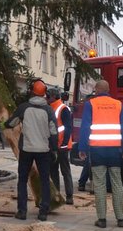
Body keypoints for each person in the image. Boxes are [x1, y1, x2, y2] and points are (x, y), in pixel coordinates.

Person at [77, 79, 123, 228]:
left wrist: (82, 148)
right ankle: (121, 219)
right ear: (108, 90)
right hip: (115, 151)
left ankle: (102, 219)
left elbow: (85, 128)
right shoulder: (117, 104)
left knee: (100, 185)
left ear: (96, 90)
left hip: (97, 151)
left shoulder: (91, 104)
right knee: (117, 183)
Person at [8, 79, 57, 221]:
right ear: (44, 94)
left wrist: (4, 123)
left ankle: (22, 211)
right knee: (44, 180)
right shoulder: (48, 110)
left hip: (27, 149)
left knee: (22, 180)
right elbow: (54, 132)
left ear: (31, 91)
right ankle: (43, 212)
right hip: (43, 150)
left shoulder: (24, 107)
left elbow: (12, 123)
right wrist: (53, 149)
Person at [47, 87, 75, 205]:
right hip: (54, 145)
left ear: (53, 97)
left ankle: (69, 196)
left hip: (61, 145)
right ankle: (57, 194)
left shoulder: (63, 109)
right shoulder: (49, 108)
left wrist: (63, 143)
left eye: (48, 96)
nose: (46, 98)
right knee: (55, 171)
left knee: (64, 171)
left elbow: (68, 127)